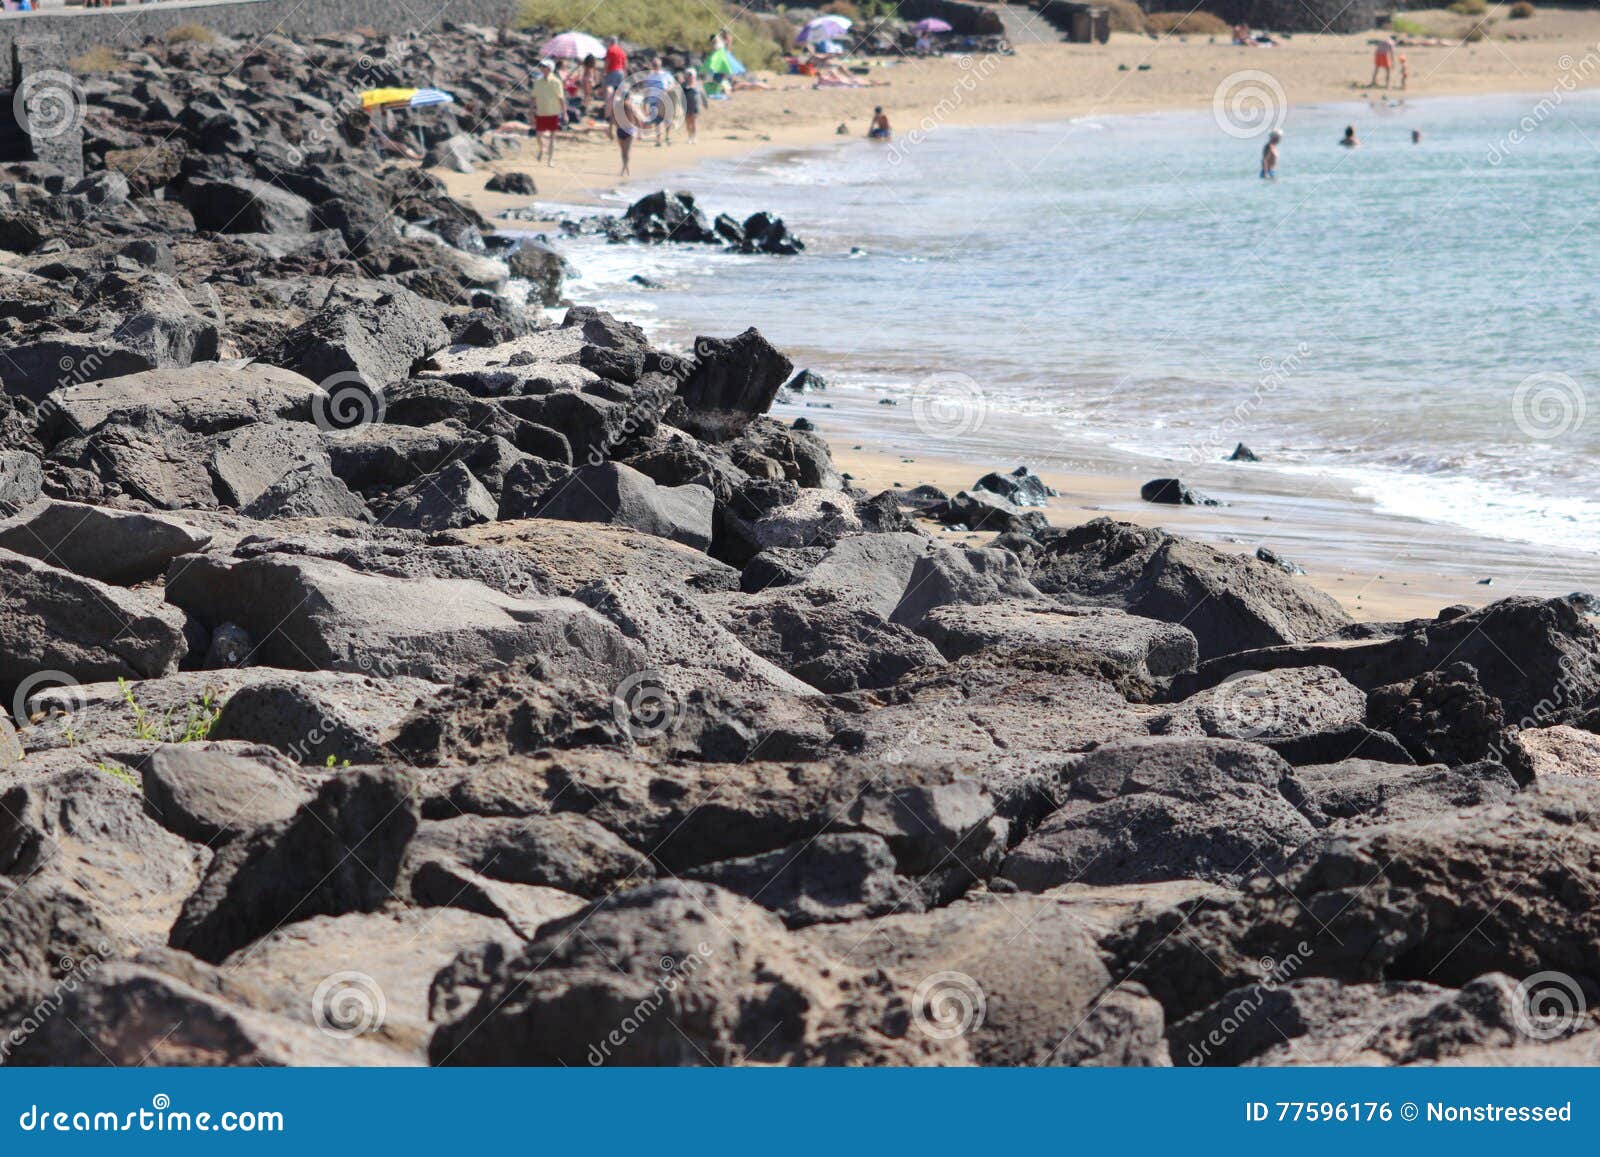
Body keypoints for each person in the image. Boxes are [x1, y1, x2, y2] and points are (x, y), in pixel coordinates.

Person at [530, 59, 564, 166]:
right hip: (541, 112)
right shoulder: (537, 82)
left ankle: (550, 159)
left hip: (553, 112)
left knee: (552, 137)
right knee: (538, 136)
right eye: (541, 67)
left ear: (549, 68)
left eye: (544, 67)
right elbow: (533, 98)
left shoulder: (556, 82)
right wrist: (531, 111)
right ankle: (542, 149)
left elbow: (561, 98)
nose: (541, 68)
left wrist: (565, 113)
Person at [608, 85, 635, 176]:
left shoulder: (616, 105)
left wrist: (610, 130)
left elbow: (612, 119)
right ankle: (626, 168)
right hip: (629, 129)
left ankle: (625, 169)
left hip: (619, 129)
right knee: (627, 151)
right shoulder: (630, 104)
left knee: (623, 151)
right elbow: (636, 118)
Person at [681, 68, 704, 143]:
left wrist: (705, 103)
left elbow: (703, 94)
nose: (689, 76)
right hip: (686, 106)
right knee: (688, 122)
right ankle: (689, 137)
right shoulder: (683, 85)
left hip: (695, 106)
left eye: (690, 75)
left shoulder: (698, 84)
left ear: (694, 76)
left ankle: (694, 137)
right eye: (688, 75)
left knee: (694, 122)